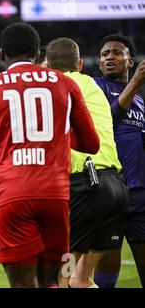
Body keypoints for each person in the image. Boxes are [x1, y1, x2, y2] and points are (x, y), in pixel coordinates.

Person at [0, 22, 100, 288]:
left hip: (10, 200)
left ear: (2, 53)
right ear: (38, 55)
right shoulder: (66, 84)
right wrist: (57, 138)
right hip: (56, 199)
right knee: (52, 281)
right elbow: (91, 143)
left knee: (22, 284)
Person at [46, 37, 128, 288]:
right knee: (82, 279)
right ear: (80, 63)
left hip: (85, 190)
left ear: (48, 68)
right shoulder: (94, 87)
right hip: (116, 191)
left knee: (60, 276)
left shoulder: (54, 88)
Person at [93, 34, 145, 288]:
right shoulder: (95, 88)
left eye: (116, 52)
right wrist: (134, 83)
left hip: (140, 195)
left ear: (130, 60)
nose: (109, 57)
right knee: (106, 274)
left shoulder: (141, 104)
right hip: (110, 192)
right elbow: (106, 120)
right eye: (105, 54)